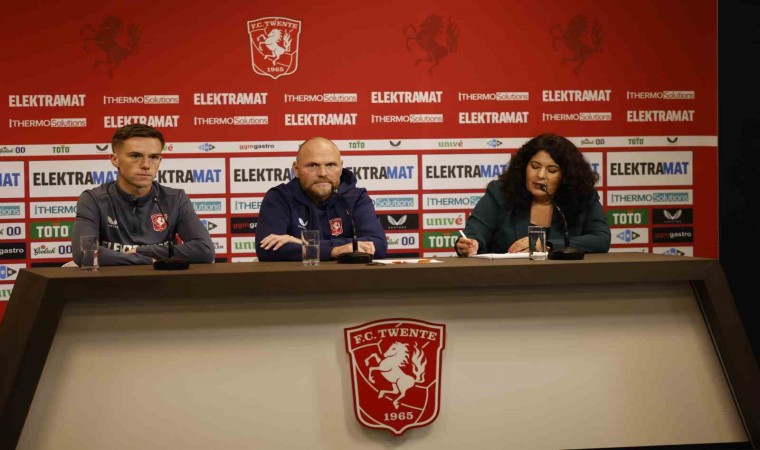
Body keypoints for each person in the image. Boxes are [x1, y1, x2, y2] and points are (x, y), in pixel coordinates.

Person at [71, 123, 215, 266]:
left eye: (154, 157)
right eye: (135, 156)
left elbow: (205, 250)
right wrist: (149, 260)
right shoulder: (93, 199)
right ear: (115, 160)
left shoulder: (176, 199)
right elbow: (85, 253)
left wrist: (140, 251)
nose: (146, 165)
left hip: (162, 279)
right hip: (112, 279)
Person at [456, 132, 610, 256]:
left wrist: (547, 245)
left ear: (566, 176)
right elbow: (474, 234)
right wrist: (471, 245)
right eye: (535, 166)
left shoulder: (582, 196)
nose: (540, 175)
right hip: (506, 279)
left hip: (565, 279)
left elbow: (601, 239)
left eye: (552, 170)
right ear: (524, 167)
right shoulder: (500, 192)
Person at [256, 136, 388, 261]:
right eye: (312, 165)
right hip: (297, 277)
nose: (323, 173)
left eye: (330, 165)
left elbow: (378, 245)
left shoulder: (356, 197)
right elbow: (267, 249)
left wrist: (305, 244)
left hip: (347, 277)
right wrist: (334, 251)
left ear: (341, 168)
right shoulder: (279, 197)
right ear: (296, 169)